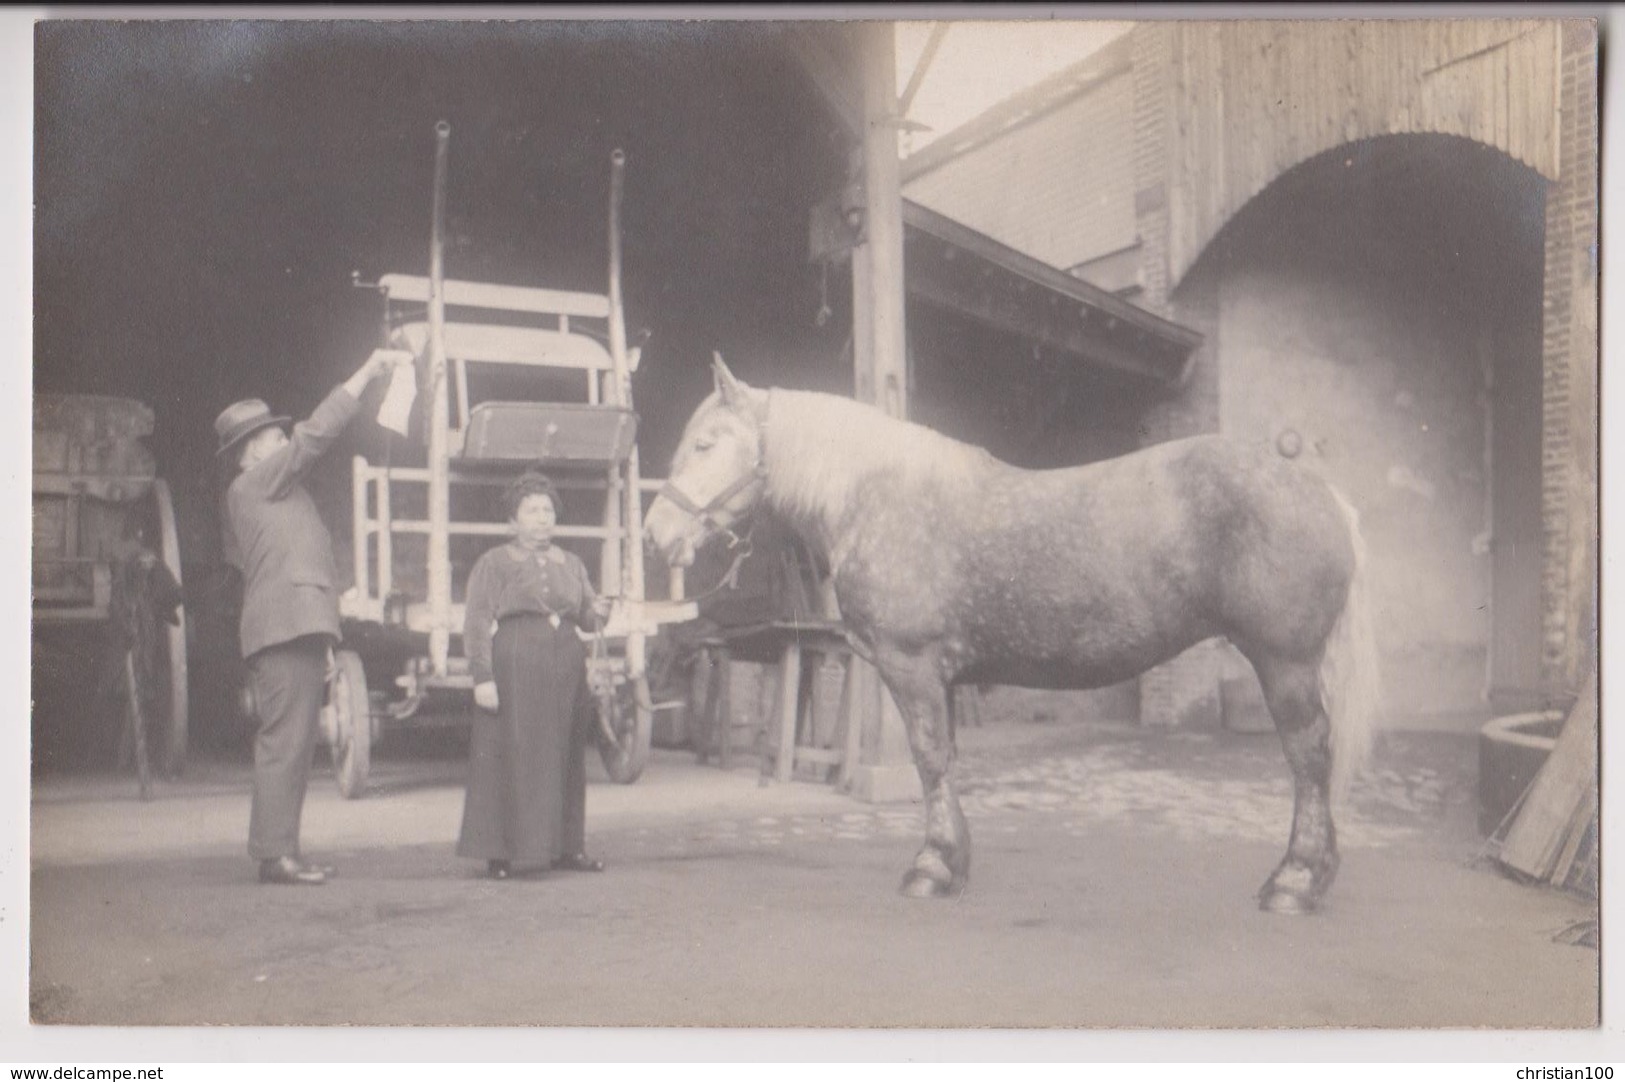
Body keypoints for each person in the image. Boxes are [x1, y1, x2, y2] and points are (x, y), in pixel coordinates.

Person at [216, 350, 407, 886]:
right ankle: (275, 855)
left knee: (295, 745)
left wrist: (325, 639)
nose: (286, 442)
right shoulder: (252, 486)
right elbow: (314, 437)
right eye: (274, 438)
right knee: (285, 744)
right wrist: (365, 375)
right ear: (250, 454)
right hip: (281, 630)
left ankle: (283, 850)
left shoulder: (280, 495)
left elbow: (301, 567)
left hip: (295, 628)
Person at [458, 471, 612, 880]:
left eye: (547, 510)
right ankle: (501, 853)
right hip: (516, 660)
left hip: (566, 664)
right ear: (513, 521)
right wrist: (482, 677)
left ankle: (567, 848)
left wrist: (601, 611)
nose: (542, 518)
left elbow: (588, 618)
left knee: (565, 755)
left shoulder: (573, 563)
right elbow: (475, 622)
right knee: (513, 752)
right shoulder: (494, 563)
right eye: (531, 511)